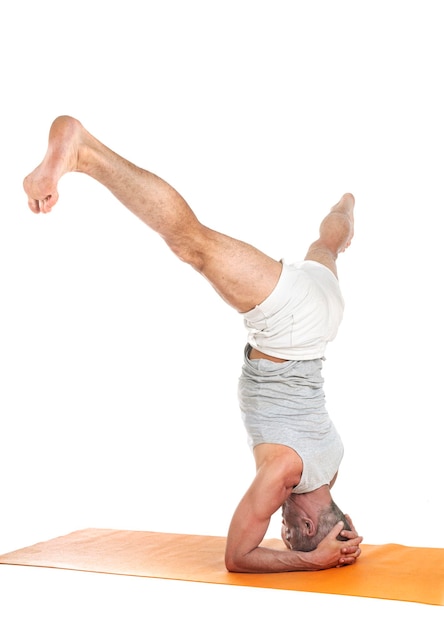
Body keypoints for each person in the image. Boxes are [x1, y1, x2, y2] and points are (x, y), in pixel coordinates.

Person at [23, 115, 363, 573]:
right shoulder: (282, 474)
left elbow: (327, 514)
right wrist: (314, 563)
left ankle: (347, 205)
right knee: (191, 243)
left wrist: (340, 537)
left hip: (324, 317)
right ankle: (84, 151)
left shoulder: (332, 466)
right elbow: (237, 559)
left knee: (326, 246)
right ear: (304, 527)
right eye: (289, 535)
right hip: (290, 322)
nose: (279, 530)